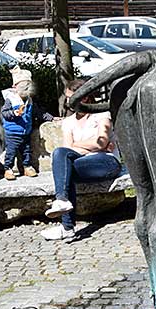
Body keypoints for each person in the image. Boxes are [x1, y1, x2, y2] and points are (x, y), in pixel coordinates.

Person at [40, 79, 123, 241]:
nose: (67, 101)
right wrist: (92, 145)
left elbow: (101, 141)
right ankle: (63, 203)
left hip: (106, 162)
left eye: (70, 97)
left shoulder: (101, 115)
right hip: (83, 163)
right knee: (62, 159)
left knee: (65, 165)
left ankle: (66, 224)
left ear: (84, 98)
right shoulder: (68, 122)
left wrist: (82, 146)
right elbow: (66, 150)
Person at [1, 67, 54, 180]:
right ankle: (8, 168)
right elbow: (4, 113)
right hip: (12, 132)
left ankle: (27, 166)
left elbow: (38, 112)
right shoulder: (11, 99)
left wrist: (51, 118)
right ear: (15, 87)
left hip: (26, 131)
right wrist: (14, 113)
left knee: (26, 150)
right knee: (11, 151)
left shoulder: (29, 100)